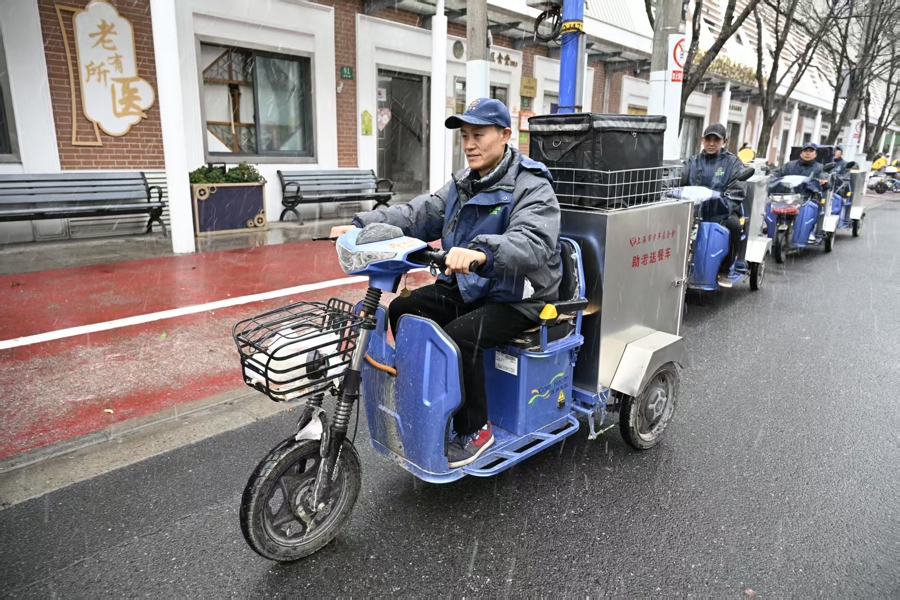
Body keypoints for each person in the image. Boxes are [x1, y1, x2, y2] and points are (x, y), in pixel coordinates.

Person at [329, 98, 561, 468]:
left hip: (518, 295)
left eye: (478, 135)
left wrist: (481, 253)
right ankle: (432, 401)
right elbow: (417, 214)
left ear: (505, 135)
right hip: (473, 285)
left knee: (458, 336)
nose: (469, 144)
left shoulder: (532, 185)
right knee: (405, 308)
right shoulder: (463, 183)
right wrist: (363, 226)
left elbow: (532, 242)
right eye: (465, 136)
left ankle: (476, 429)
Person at [680, 123, 747, 286]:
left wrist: (724, 204)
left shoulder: (733, 163)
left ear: (724, 141)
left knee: (733, 226)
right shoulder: (693, 161)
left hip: (722, 210)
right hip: (694, 209)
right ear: (702, 140)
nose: (711, 143)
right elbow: (679, 178)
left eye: (716, 140)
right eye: (708, 139)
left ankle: (724, 269)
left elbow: (738, 189)